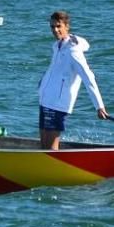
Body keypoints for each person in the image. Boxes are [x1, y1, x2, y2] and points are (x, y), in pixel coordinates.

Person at [38, 10, 109, 150]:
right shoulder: (57, 46)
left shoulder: (73, 51)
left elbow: (88, 77)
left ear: (66, 26)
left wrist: (99, 106)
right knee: (43, 146)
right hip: (45, 101)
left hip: (58, 104)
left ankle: (55, 170)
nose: (55, 30)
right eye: (52, 27)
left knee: (51, 149)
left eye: (59, 26)